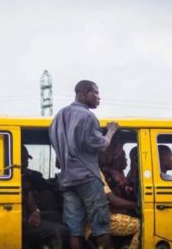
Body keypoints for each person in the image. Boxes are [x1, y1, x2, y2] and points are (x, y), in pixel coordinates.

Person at [49, 80, 119, 249]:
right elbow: (102, 145)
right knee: (101, 226)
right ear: (84, 92)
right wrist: (110, 131)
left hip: (67, 181)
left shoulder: (57, 117)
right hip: (87, 178)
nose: (98, 97)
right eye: (95, 93)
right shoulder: (87, 116)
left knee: (74, 229)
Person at [22, 179, 68, 249]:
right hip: (20, 224)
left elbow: (31, 205)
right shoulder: (12, 183)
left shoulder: (24, 183)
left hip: (26, 217)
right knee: (61, 231)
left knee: (56, 217)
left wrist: (36, 211)